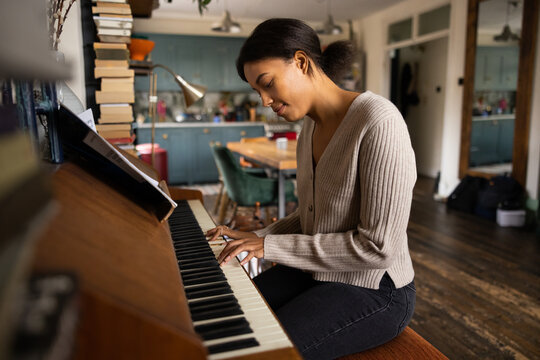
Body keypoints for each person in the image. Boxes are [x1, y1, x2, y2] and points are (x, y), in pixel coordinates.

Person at [206, 18, 417, 360]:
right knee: (231, 315)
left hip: (378, 288)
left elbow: (379, 248)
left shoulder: (378, 121)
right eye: (257, 91)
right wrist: (257, 236)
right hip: (322, 272)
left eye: (267, 83)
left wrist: (269, 245)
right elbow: (314, 216)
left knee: (262, 351)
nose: (264, 100)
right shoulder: (309, 128)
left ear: (302, 62)